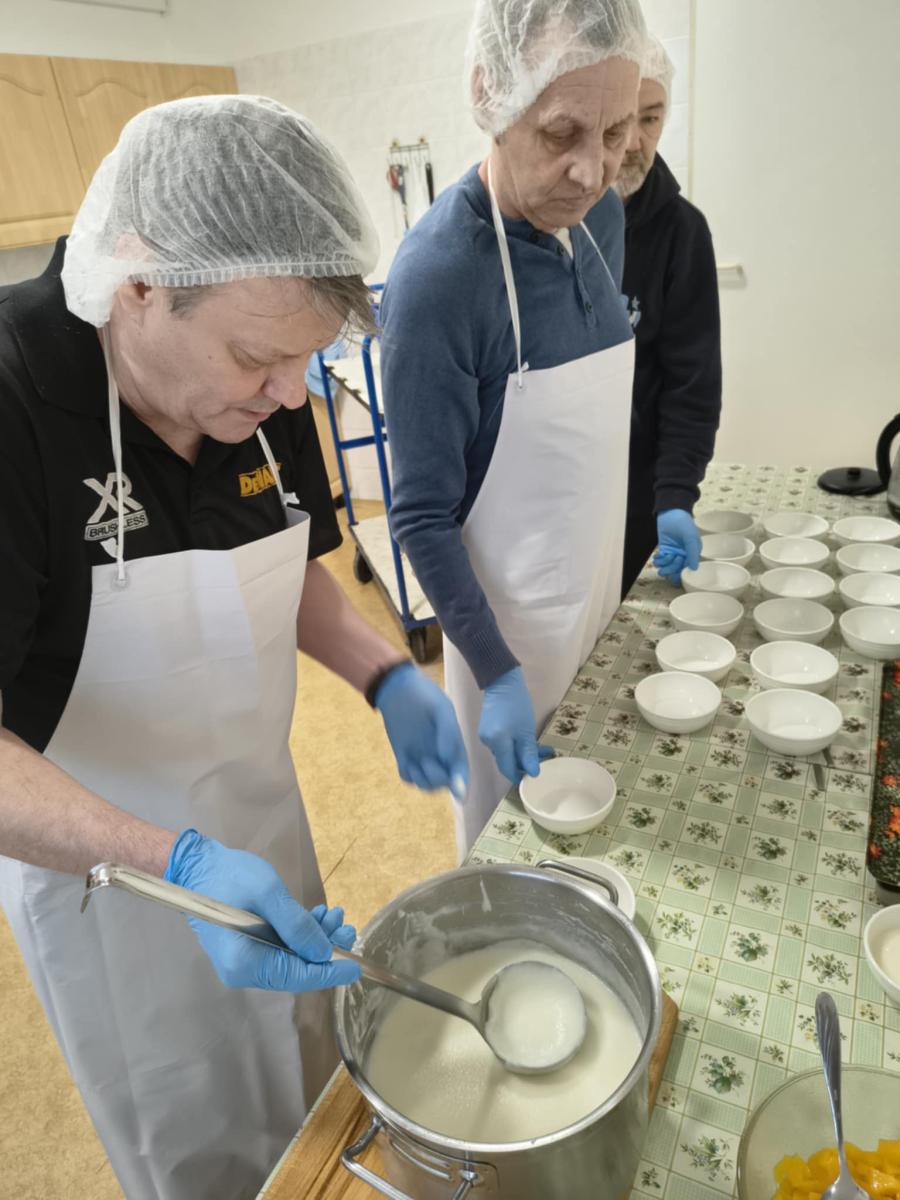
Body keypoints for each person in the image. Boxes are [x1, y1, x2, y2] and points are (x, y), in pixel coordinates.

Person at [0, 96, 467, 1200]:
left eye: (305, 360)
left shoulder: (267, 380)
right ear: (140, 285)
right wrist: (177, 864)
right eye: (259, 358)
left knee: (308, 1087)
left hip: (261, 822)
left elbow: (280, 561)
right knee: (196, 1142)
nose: (290, 394)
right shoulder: (15, 400)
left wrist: (384, 672)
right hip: (109, 887)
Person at [380, 0, 646, 858]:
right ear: (490, 97)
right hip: (508, 649)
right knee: (523, 871)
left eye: (616, 134)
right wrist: (496, 674)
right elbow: (421, 515)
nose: (591, 170)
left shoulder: (600, 222)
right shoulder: (438, 279)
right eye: (561, 132)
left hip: (598, 606)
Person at [616, 36, 722, 595]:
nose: (635, 142)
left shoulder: (683, 233)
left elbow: (691, 384)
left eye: (651, 118)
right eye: (621, 119)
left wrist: (675, 495)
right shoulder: (549, 229)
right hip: (551, 503)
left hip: (643, 494)